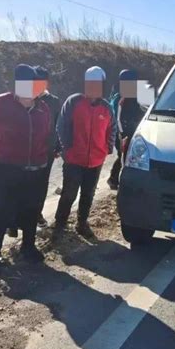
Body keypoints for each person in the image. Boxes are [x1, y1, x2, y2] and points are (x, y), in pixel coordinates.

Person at [0, 64, 50, 277]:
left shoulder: (42, 109)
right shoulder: (0, 104)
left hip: (34, 170)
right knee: (1, 213)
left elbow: (45, 135)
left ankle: (27, 248)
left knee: (30, 211)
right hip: (5, 170)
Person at [53, 66, 117, 239]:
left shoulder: (106, 107)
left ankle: (82, 223)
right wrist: (66, 148)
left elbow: (112, 129)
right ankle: (60, 223)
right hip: (74, 159)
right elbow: (61, 125)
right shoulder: (73, 102)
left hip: (96, 161)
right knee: (69, 193)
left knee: (88, 194)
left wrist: (107, 149)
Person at [107, 69, 145, 190]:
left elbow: (141, 110)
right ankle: (116, 180)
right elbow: (115, 117)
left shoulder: (134, 95)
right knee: (124, 155)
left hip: (132, 130)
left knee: (127, 155)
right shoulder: (119, 97)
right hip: (122, 132)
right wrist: (122, 134)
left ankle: (115, 179)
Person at [34, 66, 61, 227]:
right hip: (26, 151)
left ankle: (37, 214)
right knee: (22, 183)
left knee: (42, 183)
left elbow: (59, 125)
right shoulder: (25, 99)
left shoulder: (54, 102)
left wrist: (57, 147)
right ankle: (16, 219)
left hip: (46, 151)